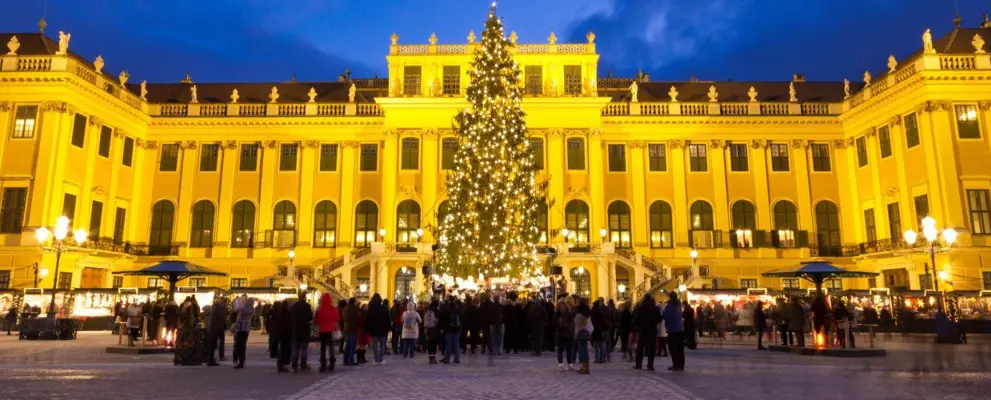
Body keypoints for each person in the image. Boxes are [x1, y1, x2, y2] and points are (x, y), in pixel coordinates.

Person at [314, 292, 340, 372]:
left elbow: (316, 321)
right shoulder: (333, 308)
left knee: (323, 347)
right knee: (331, 348)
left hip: (322, 331)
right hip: (331, 330)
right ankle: (332, 363)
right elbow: (337, 318)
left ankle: (323, 364)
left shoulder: (319, 309)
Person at [633, 294, 659, 371]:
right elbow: (659, 319)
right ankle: (650, 365)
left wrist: (638, 327)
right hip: (652, 330)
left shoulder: (640, 308)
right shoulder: (655, 308)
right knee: (652, 348)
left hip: (643, 330)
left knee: (640, 347)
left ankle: (638, 364)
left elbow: (635, 319)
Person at [365, 294, 391, 365]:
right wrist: (388, 328)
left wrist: (368, 329)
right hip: (382, 329)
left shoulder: (371, 308)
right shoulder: (384, 308)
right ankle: (381, 359)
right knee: (382, 345)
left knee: (375, 345)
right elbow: (387, 319)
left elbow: (368, 320)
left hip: (374, 330)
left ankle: (376, 359)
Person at [662, 291, 685, 371]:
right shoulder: (679, 304)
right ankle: (681, 364)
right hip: (680, 329)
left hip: (672, 329)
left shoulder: (669, 306)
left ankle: (675, 364)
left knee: (673, 348)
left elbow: (664, 315)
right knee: (680, 348)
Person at [479, 292, 503, 365]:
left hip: (488, 322)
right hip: (495, 323)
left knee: (488, 336)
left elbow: (481, 314)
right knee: (497, 336)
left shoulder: (484, 305)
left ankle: (487, 348)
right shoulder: (498, 306)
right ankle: (495, 349)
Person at [439, 295, 463, 364]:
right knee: (456, 344)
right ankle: (457, 359)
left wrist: (442, 327)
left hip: (448, 328)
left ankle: (447, 358)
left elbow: (443, 318)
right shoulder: (457, 308)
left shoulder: (446, 308)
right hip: (456, 328)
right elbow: (461, 317)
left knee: (448, 344)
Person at [232, 297, 254, 369]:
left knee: (238, 345)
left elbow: (238, 319)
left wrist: (235, 329)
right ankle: (242, 360)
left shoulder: (243, 309)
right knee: (243, 345)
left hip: (240, 329)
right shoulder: (252, 309)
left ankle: (240, 361)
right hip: (246, 329)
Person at [206, 297, 229, 366]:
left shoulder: (213, 308)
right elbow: (224, 317)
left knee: (212, 344)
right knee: (214, 344)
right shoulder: (221, 309)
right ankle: (212, 360)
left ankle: (210, 359)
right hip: (218, 328)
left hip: (212, 328)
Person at [554, 297, 575, 371]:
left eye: (563, 305)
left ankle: (570, 364)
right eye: (560, 305)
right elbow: (555, 323)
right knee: (561, 350)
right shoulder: (557, 314)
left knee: (569, 350)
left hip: (568, 333)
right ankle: (561, 364)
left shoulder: (569, 313)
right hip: (561, 334)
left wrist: (567, 325)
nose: (562, 306)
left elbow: (572, 322)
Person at [573, 298, 592, 374]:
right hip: (586, 332)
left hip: (580, 332)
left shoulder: (580, 312)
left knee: (582, 350)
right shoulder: (587, 311)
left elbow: (577, 323)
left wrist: (575, 333)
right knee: (584, 350)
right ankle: (584, 367)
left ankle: (585, 368)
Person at [275, 300, 293, 372]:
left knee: (282, 348)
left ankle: (281, 363)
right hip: (286, 333)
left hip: (281, 333)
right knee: (285, 349)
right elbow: (288, 324)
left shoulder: (280, 313)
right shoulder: (288, 313)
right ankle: (283, 364)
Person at [342, 298, 360, 365]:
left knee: (347, 345)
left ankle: (345, 360)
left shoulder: (345, 308)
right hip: (353, 328)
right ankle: (350, 360)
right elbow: (358, 318)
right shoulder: (355, 309)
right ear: (354, 302)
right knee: (352, 345)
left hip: (346, 327)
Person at [425, 299, 441, 364]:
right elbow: (439, 320)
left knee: (429, 343)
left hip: (428, 328)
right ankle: (433, 359)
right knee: (434, 344)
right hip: (435, 328)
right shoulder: (437, 310)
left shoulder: (427, 310)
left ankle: (430, 358)